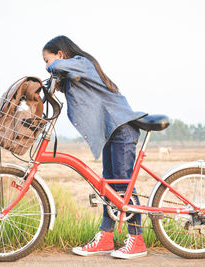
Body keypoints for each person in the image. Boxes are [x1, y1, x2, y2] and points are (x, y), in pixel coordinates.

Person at [42, 35, 148, 259]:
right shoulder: (75, 74)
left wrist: (53, 68)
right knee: (108, 185)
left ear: (60, 54)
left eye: (46, 60)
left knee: (122, 184)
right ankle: (106, 237)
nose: (47, 66)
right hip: (111, 131)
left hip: (121, 127)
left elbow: (58, 66)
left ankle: (137, 240)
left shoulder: (82, 63)